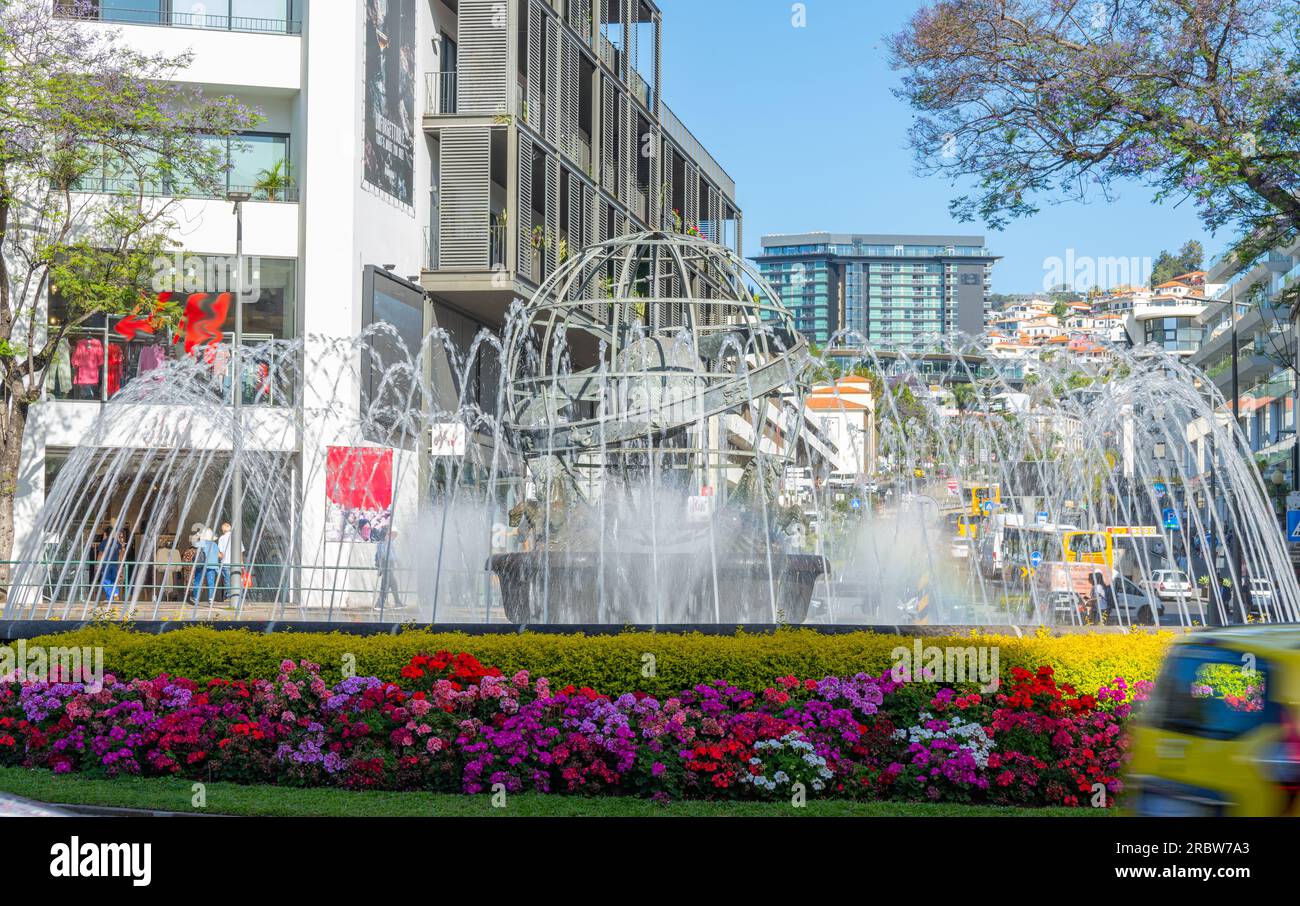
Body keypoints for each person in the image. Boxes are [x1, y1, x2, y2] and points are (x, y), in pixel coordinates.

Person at [374, 528, 405, 614]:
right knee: (386, 584)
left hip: (390, 564)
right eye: (389, 534)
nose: (391, 536)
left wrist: (398, 561)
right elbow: (383, 556)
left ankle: (397, 602)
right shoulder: (382, 544)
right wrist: (380, 567)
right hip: (386, 564)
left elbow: (392, 554)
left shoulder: (389, 543)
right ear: (385, 535)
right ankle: (379, 604)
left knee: (392, 583)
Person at [217, 521, 246, 606]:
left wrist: (214, 552)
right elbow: (241, 552)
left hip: (226, 563)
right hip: (236, 563)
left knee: (227, 580)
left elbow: (221, 554)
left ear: (223, 530)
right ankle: (238, 597)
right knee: (237, 580)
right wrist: (241, 562)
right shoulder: (236, 537)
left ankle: (229, 597)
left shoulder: (222, 538)